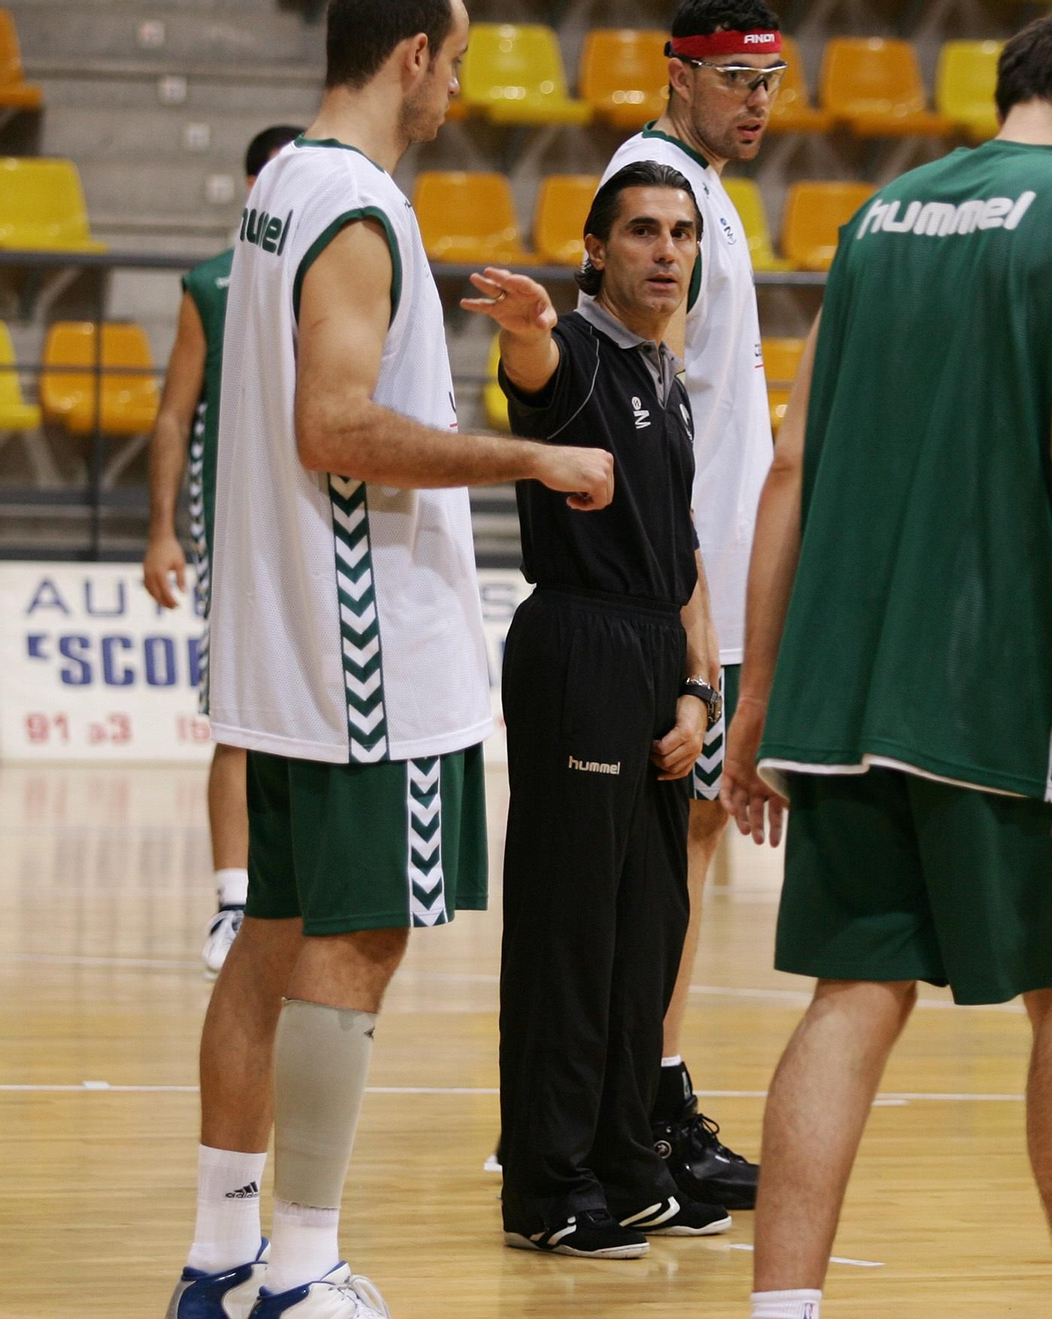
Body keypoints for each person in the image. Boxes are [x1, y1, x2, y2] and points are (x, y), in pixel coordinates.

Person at [164, 2, 614, 1316]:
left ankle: (221, 1255)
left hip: (287, 641)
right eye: (459, 62)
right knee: (356, 947)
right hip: (362, 650)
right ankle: (302, 1271)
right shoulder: (358, 209)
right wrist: (531, 453)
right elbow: (337, 425)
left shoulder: (278, 191)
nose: (461, 90)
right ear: (411, 55)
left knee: (272, 938)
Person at [722, 10, 1052, 1318]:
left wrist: (760, 694)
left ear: (1007, 93)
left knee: (853, 990)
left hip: (847, 682)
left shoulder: (879, 218)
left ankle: (782, 1308)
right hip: (1013, 680)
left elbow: (792, 463)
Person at [474, 163, 732, 1260]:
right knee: (569, 926)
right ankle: (544, 1179)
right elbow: (528, 373)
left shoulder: (664, 372)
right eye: (640, 231)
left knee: (645, 928)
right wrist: (528, 331)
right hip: (575, 642)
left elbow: (677, 552)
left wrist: (695, 684)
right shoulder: (574, 354)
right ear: (595, 250)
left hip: (648, 656)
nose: (666, 251)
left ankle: (625, 1158)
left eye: (680, 232)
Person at [578, 0, 781, 1205]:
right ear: (678, 75)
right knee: (660, 857)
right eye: (735, 78)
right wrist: (693, 607)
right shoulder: (658, 190)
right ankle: (628, 1106)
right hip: (680, 584)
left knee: (686, 852)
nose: (757, 99)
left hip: (710, 574)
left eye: (770, 79)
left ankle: (643, 1093)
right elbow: (647, 403)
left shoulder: (698, 184)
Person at [142, 123, 302, 978]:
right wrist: (163, 527)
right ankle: (235, 899)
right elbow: (174, 415)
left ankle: (302, 895)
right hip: (235, 536)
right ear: (251, 187)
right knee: (238, 723)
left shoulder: (334, 267)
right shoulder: (211, 285)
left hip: (321, 534)